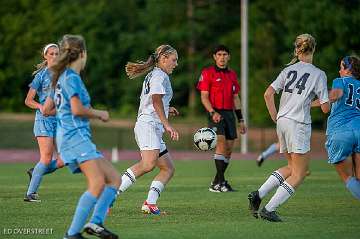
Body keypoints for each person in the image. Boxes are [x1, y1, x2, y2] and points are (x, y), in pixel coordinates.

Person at [44, 34, 120, 239]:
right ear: (83, 54)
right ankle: (71, 234)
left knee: (114, 179)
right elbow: (77, 109)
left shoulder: (62, 77)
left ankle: (95, 223)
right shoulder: (71, 78)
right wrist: (99, 113)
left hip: (73, 136)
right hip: (74, 137)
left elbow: (48, 108)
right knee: (97, 183)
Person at [248, 33, 330, 222]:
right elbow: (326, 108)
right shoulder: (318, 74)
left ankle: (258, 195)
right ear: (313, 49)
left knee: (292, 168)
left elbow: (268, 94)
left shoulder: (288, 71)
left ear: (297, 50)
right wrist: (330, 99)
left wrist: (274, 116)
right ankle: (269, 209)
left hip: (283, 122)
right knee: (300, 174)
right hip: (298, 124)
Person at [115, 44, 179, 215]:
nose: (176, 64)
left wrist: (167, 109)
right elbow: (156, 100)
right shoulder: (159, 76)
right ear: (164, 58)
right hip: (149, 125)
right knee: (148, 164)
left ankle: (150, 203)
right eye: (174, 60)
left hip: (153, 125)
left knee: (168, 168)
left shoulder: (156, 74)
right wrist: (167, 124)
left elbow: (156, 102)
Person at [196, 45, 246, 193]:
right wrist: (212, 112)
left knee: (229, 150)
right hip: (215, 113)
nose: (222, 57)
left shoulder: (232, 75)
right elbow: (204, 97)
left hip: (229, 114)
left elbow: (236, 98)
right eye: (219, 54)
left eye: (225, 54)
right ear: (214, 57)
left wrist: (241, 120)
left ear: (228, 57)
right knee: (221, 144)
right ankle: (222, 182)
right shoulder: (208, 73)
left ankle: (217, 182)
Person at [24, 43, 64, 202]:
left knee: (64, 159)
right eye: (51, 54)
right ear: (45, 56)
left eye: (57, 54)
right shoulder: (40, 76)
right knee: (46, 158)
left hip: (59, 120)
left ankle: (36, 172)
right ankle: (30, 193)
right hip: (44, 120)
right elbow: (28, 100)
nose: (54, 56)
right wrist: (40, 106)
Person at [325, 55, 360, 200]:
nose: (339, 71)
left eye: (341, 67)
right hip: (359, 128)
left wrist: (307, 104)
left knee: (345, 175)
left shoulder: (340, 81)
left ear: (347, 69)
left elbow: (336, 95)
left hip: (340, 132)